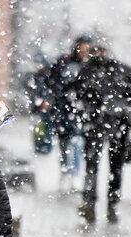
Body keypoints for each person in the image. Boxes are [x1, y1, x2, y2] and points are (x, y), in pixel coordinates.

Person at [72, 44, 131, 224]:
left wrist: (129, 117)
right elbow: (77, 97)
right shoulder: (92, 71)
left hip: (111, 125)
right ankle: (96, 204)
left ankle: (103, 204)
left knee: (107, 167)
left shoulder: (94, 71)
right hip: (103, 125)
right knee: (101, 167)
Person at [35, 34, 93, 192]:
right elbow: (51, 81)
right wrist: (48, 98)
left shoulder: (92, 65)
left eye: (87, 47)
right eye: (82, 46)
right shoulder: (64, 62)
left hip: (81, 111)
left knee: (78, 142)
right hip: (62, 110)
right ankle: (65, 173)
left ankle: (75, 175)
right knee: (64, 143)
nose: (84, 50)